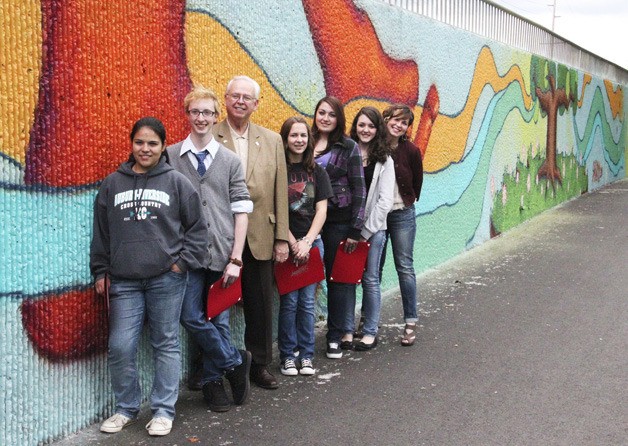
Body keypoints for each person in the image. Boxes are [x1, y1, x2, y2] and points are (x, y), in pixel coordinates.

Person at [90, 117, 208, 436]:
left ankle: (163, 410)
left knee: (165, 342)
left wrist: (181, 264)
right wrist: (100, 270)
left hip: (166, 279)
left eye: (153, 143)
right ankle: (126, 407)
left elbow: (198, 228)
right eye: (140, 142)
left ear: (162, 146)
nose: (145, 149)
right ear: (131, 144)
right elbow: (101, 233)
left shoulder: (177, 183)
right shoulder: (113, 183)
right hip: (124, 281)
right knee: (120, 345)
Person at [167, 85, 252, 412]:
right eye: (195, 112)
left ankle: (213, 385)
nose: (201, 118)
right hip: (187, 255)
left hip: (221, 252)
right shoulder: (172, 156)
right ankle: (234, 362)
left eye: (207, 112)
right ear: (187, 114)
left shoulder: (229, 160)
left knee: (218, 320)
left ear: (216, 117)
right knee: (190, 316)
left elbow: (241, 210)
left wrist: (236, 259)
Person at [212, 76, 289, 389]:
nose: (240, 101)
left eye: (247, 97)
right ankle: (209, 366)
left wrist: (282, 237)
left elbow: (280, 191)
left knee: (260, 306)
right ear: (226, 99)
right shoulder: (210, 134)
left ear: (256, 104)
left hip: (260, 234)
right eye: (235, 96)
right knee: (214, 304)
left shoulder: (271, 140)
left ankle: (258, 365)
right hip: (220, 234)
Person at [311, 96, 366, 359]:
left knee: (338, 280)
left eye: (331, 114)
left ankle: (335, 335)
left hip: (338, 221)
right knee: (306, 280)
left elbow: (359, 188)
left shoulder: (348, 147)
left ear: (338, 119)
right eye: (321, 113)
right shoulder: (304, 141)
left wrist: (356, 228)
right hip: (306, 221)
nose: (325, 118)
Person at [277, 116, 332, 376]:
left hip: (312, 244)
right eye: (293, 135)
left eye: (302, 135)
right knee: (289, 302)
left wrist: (308, 242)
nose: (298, 140)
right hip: (287, 245)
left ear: (308, 140)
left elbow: (322, 210)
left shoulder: (316, 171)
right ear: (285, 139)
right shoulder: (278, 170)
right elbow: (275, 211)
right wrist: (291, 242)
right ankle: (288, 355)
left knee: (308, 303)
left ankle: (307, 355)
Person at [349, 106, 395, 350]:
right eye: (361, 125)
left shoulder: (385, 159)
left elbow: (385, 201)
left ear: (377, 130)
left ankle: (369, 331)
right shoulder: (347, 151)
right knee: (346, 278)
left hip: (374, 230)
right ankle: (346, 330)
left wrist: (364, 232)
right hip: (349, 229)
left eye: (370, 126)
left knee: (370, 278)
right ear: (355, 126)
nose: (365, 130)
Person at [382, 104, 424, 346]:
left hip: (402, 214)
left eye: (404, 123)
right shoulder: (375, 146)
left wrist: (409, 199)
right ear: (386, 119)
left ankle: (410, 321)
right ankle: (367, 321)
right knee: (372, 270)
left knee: (404, 267)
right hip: (377, 217)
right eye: (395, 120)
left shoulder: (411, 150)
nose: (398, 125)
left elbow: (417, 180)